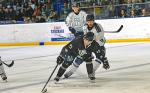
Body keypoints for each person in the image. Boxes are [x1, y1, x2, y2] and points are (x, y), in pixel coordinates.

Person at [64, 14, 109, 78]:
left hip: (98, 45)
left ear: (94, 21)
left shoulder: (98, 28)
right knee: (80, 57)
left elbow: (101, 41)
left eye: (91, 21)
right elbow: (84, 37)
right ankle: (71, 71)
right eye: (88, 21)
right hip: (88, 44)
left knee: (99, 59)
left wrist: (103, 58)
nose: (89, 23)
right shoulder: (85, 26)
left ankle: (92, 71)